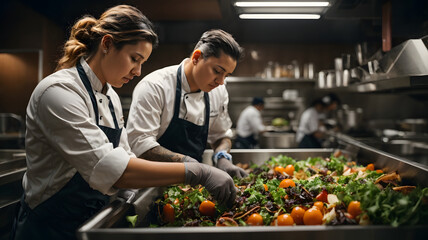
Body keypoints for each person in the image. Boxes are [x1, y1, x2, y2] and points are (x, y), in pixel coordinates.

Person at [11, 5, 236, 240]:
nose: (138, 71)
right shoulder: (58, 92)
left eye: (142, 62)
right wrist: (196, 171)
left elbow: (126, 156)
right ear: (107, 44)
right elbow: (116, 171)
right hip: (49, 226)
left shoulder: (111, 97)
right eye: (134, 59)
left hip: (93, 220)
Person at [126, 29, 248, 179]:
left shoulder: (219, 91)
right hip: (150, 181)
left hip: (193, 184)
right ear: (196, 57)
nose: (221, 81)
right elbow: (140, 144)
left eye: (226, 75)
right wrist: (187, 163)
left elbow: (220, 135)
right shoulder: (155, 86)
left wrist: (222, 157)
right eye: (217, 71)